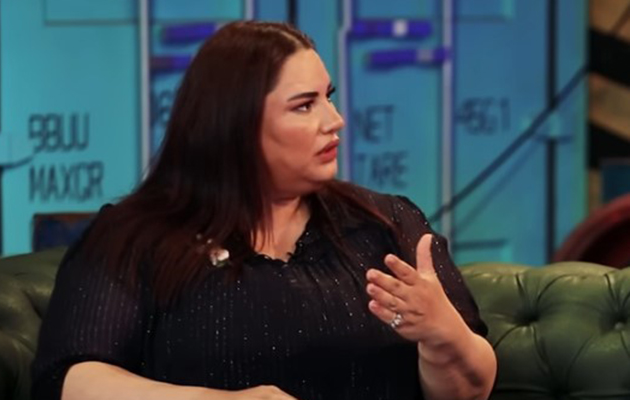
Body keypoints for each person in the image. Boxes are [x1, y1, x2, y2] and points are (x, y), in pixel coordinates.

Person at [32, 21, 496, 400]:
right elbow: (69, 379)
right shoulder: (134, 238)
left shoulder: (385, 224)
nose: (334, 120)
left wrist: (443, 336)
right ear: (235, 123)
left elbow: (472, 390)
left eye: (328, 97)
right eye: (305, 106)